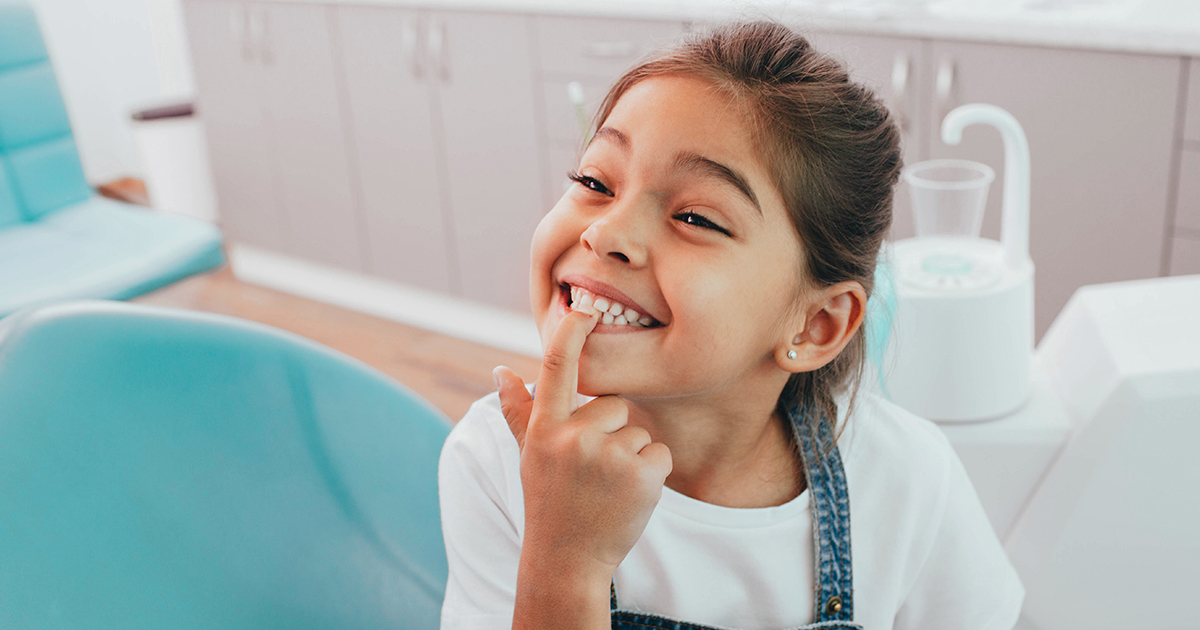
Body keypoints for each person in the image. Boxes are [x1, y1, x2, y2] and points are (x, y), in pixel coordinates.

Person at [438, 21, 1024, 630]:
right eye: (595, 181)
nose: (604, 233)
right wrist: (563, 563)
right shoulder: (496, 462)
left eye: (694, 216)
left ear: (816, 325)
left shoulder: (910, 482)